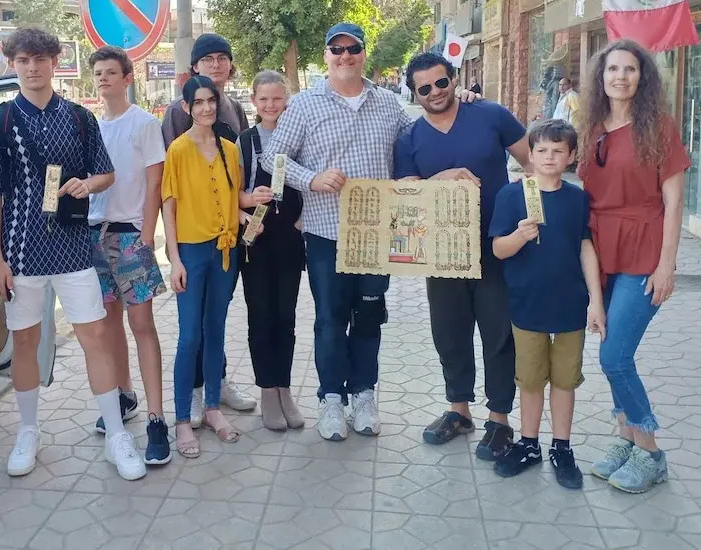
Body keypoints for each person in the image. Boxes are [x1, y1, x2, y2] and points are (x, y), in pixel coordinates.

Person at [263, 23, 478, 441]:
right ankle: (331, 399)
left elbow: (418, 143)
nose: (345, 55)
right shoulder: (304, 106)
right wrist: (311, 179)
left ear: (363, 53)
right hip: (326, 232)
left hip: (377, 234)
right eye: (336, 49)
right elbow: (273, 158)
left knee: (369, 317)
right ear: (326, 56)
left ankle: (363, 394)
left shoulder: (387, 104)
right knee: (330, 319)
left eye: (353, 48)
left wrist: (461, 102)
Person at [0, 28, 147, 482]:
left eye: (40, 59)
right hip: (20, 251)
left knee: (95, 336)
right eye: (23, 60)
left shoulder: (79, 118)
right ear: (12, 65)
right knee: (25, 341)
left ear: (55, 62)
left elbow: (106, 173)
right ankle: (28, 431)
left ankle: (116, 434)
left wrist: (87, 184)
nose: (32, 67)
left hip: (73, 248)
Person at [393, 48, 531, 462]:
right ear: (414, 93)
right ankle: (459, 410)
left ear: (454, 79)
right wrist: (443, 178)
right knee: (449, 333)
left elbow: (534, 161)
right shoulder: (410, 139)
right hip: (444, 252)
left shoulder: (491, 115)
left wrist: (532, 215)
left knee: (499, 334)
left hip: (497, 246)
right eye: (424, 88)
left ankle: (499, 419)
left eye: (441, 82)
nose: (435, 92)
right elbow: (406, 194)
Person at [578, 39, 689, 494]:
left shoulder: (658, 127)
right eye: (612, 69)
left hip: (644, 250)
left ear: (643, 77)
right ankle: (625, 438)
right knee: (611, 351)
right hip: (602, 251)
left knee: (614, 356)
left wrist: (667, 265)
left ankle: (650, 451)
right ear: (600, 77)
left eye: (629, 69)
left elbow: (674, 201)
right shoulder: (590, 127)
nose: (620, 77)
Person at [489, 119, 605, 489]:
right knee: (530, 379)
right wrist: (519, 236)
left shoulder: (577, 199)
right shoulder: (512, 196)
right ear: (530, 154)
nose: (549, 157)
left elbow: (586, 247)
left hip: (570, 304)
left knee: (565, 379)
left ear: (571, 156)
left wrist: (596, 301)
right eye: (541, 150)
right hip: (527, 303)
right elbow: (498, 249)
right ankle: (528, 443)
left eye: (558, 151)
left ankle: (562, 447)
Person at [161, 32, 256, 423]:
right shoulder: (176, 128)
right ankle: (191, 400)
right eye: (208, 58)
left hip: (225, 245)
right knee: (191, 332)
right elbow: (171, 194)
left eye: (223, 58)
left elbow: (236, 181)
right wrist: (174, 256)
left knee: (215, 323)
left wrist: (243, 214)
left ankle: (215, 390)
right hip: (191, 242)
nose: (206, 108)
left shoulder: (233, 119)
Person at [87, 45, 171, 465]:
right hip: (93, 236)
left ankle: (157, 419)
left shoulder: (144, 124)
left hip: (130, 236)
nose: (103, 79)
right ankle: (124, 395)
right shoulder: (90, 125)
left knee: (142, 324)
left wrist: (146, 233)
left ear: (127, 78)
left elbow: (155, 184)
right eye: (98, 73)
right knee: (107, 324)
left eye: (110, 72)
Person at [237, 70, 305, 431]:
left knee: (286, 316)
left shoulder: (299, 137)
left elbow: (310, 181)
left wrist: (303, 219)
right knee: (261, 315)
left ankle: (284, 388)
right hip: (256, 236)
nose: (270, 105)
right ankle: (267, 389)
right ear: (253, 101)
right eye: (263, 99)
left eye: (277, 98)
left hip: (289, 235)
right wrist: (249, 200)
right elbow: (232, 192)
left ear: (287, 101)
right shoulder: (245, 141)